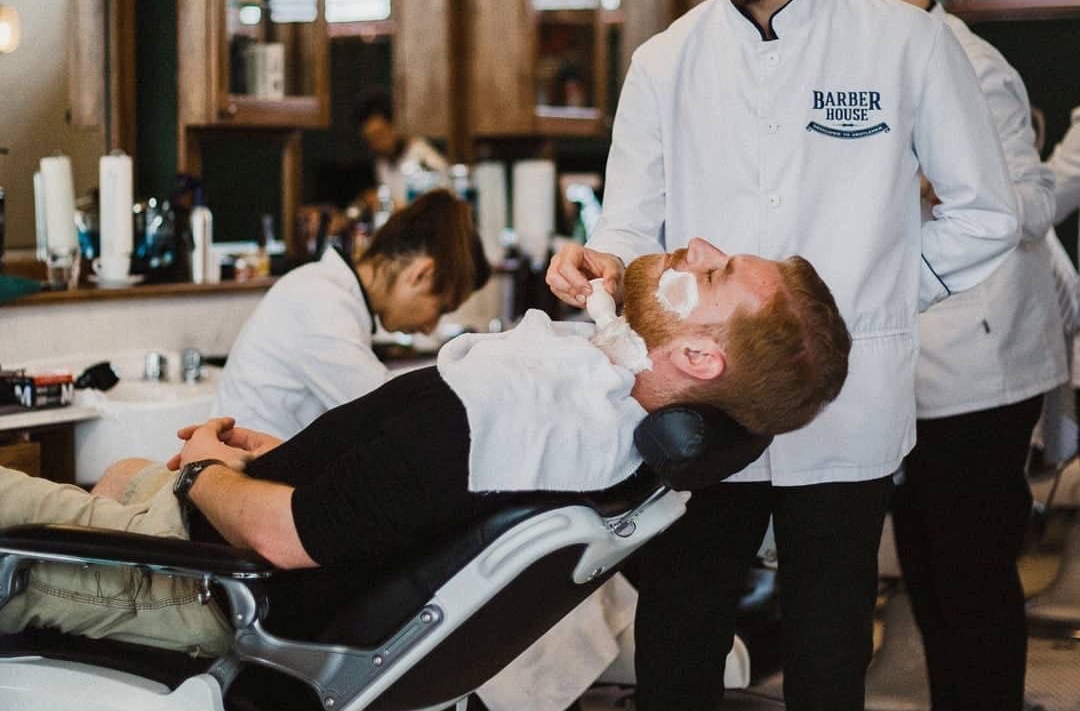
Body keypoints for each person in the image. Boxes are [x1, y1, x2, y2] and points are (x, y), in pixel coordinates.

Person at [545, 0, 1020, 711]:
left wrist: (864, 307)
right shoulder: (664, 63)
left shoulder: (905, 44)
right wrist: (601, 260)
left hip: (844, 406)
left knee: (829, 677)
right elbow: (630, 225)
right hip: (701, 405)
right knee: (675, 664)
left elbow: (986, 215)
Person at [0, 239, 850, 662]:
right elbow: (396, 492)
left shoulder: (504, 414)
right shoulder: (602, 428)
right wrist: (290, 455)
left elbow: (285, 537)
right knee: (120, 472)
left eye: (716, 272)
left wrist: (205, 470)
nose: (697, 248)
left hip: (191, 576)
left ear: (699, 359)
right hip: (222, 543)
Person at [808, 0, 1067, 711]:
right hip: (917, 360)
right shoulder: (877, 62)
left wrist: (939, 183)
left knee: (972, 577)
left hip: (983, 364)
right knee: (927, 567)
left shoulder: (971, 64)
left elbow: (1027, 202)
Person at [212, 189, 490, 438]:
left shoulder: (331, 293)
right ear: (421, 274)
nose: (430, 328)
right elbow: (390, 416)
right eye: (441, 308)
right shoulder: (320, 300)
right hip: (241, 472)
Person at [355, 89, 448, 209]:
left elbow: (429, 213)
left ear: (398, 126)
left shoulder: (426, 162)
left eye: (379, 135)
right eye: (370, 140)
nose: (376, 145)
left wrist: (386, 204)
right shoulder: (383, 163)